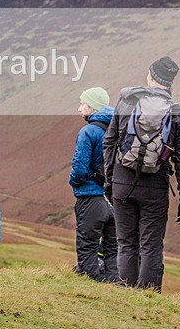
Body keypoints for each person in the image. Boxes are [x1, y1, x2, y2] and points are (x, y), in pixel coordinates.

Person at [102, 55, 180, 291]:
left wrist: (109, 181)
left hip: (122, 180)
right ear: (171, 82)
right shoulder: (178, 112)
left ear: (150, 76)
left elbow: (110, 142)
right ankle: (149, 298)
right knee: (151, 246)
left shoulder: (126, 102)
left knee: (126, 243)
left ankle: (126, 295)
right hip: (155, 185)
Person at [69, 87, 118, 282]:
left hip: (90, 197)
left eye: (83, 104)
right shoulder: (118, 130)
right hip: (115, 199)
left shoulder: (88, 132)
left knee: (87, 245)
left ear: (93, 107)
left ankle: (89, 288)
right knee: (113, 249)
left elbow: (80, 169)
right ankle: (116, 288)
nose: (79, 109)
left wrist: (74, 182)